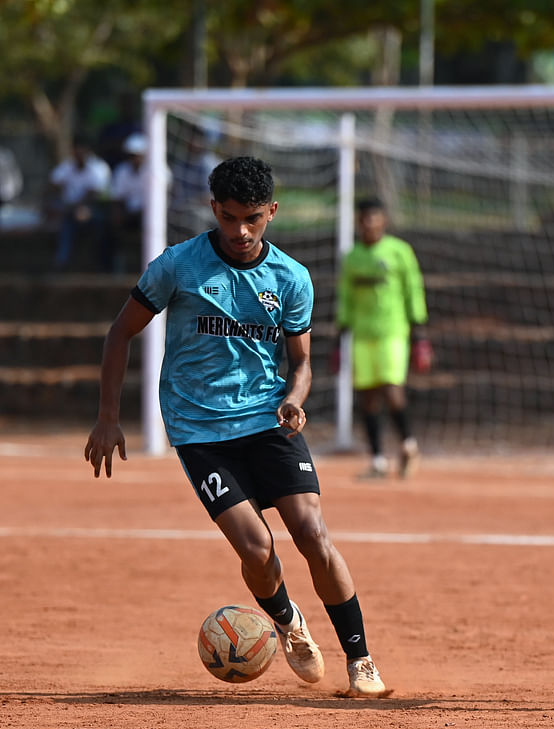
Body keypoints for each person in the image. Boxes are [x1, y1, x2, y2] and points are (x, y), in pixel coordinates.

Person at [84, 156, 389, 697]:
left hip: (268, 419)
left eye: (251, 218)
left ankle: (360, 659)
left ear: (271, 211)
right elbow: (118, 334)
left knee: (313, 535)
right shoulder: (177, 266)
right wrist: (108, 417)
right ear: (213, 209)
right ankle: (288, 621)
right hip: (199, 430)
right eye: (228, 218)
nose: (240, 231)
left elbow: (302, 363)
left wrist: (295, 399)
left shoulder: (291, 278)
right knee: (256, 549)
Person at [336, 196, 431, 479]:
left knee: (392, 389)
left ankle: (408, 444)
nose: (368, 223)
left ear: (384, 220)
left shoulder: (399, 251)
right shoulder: (352, 257)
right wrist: (340, 335)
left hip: (393, 332)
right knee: (367, 397)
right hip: (362, 334)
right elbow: (346, 297)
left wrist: (420, 334)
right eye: (363, 218)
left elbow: (413, 289)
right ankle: (378, 460)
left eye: (373, 217)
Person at [48, 135, 111, 269]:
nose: (78, 154)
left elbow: (94, 194)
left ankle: (98, 263)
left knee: (78, 218)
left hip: (96, 209)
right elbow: (53, 185)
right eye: (76, 151)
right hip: (70, 209)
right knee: (65, 218)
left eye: (82, 151)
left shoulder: (99, 168)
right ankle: (62, 261)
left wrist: (80, 208)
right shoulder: (67, 166)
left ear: (88, 152)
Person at [104, 133, 154, 272]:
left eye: (136, 155)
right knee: (108, 225)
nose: (134, 159)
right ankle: (113, 270)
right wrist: (117, 214)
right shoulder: (122, 171)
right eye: (131, 155)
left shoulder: (155, 170)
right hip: (128, 214)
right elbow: (118, 198)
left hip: (149, 214)